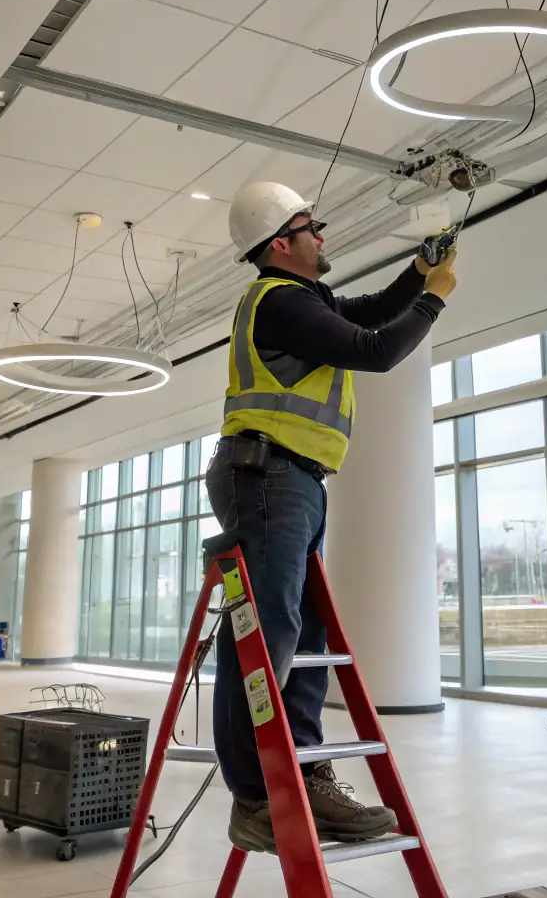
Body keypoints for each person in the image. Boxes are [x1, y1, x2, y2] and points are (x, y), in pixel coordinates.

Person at [207, 181, 457, 853]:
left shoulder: (302, 302)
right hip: (266, 475)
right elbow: (374, 350)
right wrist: (435, 297)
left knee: (303, 634)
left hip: (293, 478)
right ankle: (254, 797)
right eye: (309, 226)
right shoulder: (280, 302)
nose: (323, 235)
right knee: (268, 632)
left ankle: (307, 774)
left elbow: (372, 311)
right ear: (280, 244)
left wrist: (417, 270)